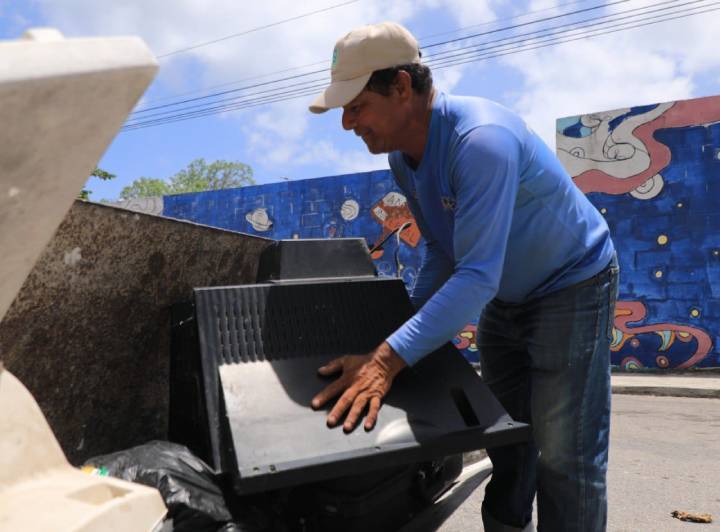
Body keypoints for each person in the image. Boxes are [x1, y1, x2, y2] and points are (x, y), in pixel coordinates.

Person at [308, 21, 618, 532]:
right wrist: (396, 337)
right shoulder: (403, 160)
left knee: (566, 456)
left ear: (402, 87)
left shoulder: (481, 141)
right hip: (506, 295)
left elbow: (475, 278)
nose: (347, 123)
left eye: (356, 105)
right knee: (507, 436)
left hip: (573, 285)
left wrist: (386, 361)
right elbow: (442, 251)